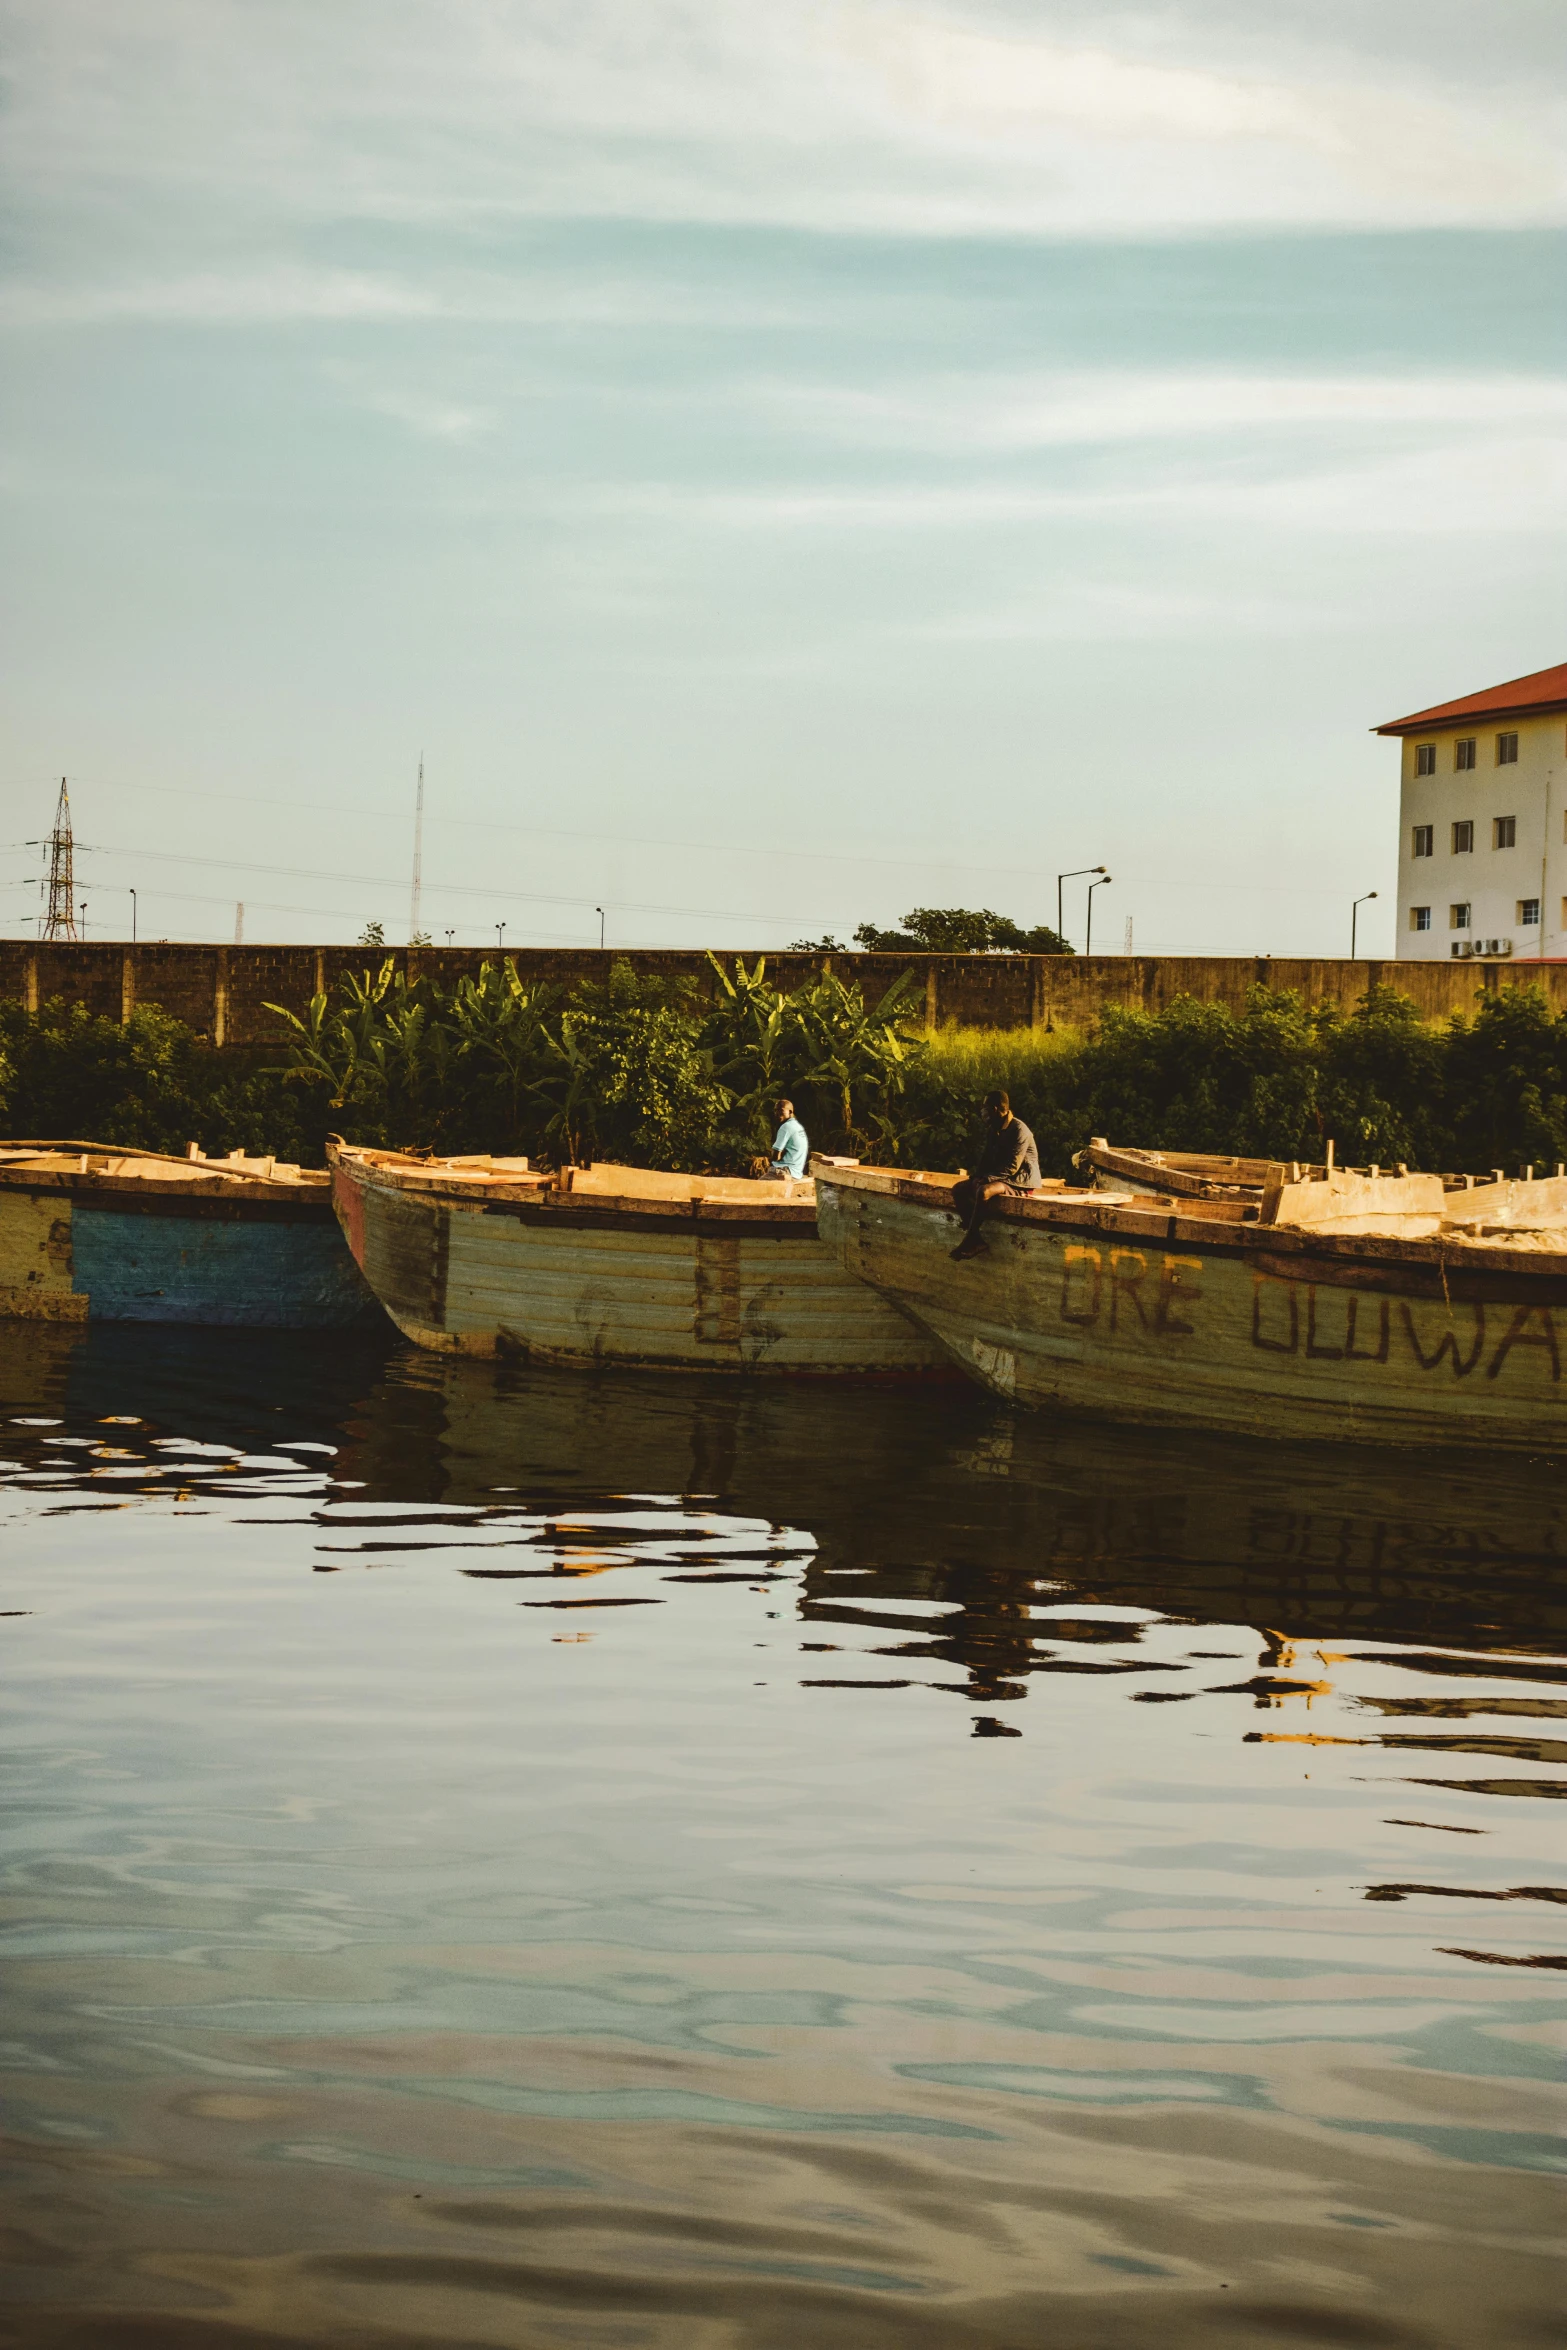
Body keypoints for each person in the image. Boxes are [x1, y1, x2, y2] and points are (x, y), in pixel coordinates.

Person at [950, 1089, 1040, 1260]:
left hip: (1019, 1181)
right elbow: (986, 1158)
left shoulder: (1020, 1130)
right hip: (1002, 1177)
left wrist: (988, 1179)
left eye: (986, 1108)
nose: (983, 1112)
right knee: (958, 1189)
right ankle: (975, 1239)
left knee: (983, 1192)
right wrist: (977, 1176)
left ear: (997, 1109)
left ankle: (970, 1238)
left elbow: (1013, 1166)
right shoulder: (995, 1128)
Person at [753, 1098, 809, 1181]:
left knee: (755, 1187)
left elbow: (776, 1156)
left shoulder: (786, 1127)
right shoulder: (798, 1127)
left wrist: (767, 1160)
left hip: (784, 1171)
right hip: (796, 1173)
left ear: (790, 1112)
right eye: (776, 1111)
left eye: (781, 1110)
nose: (777, 1113)